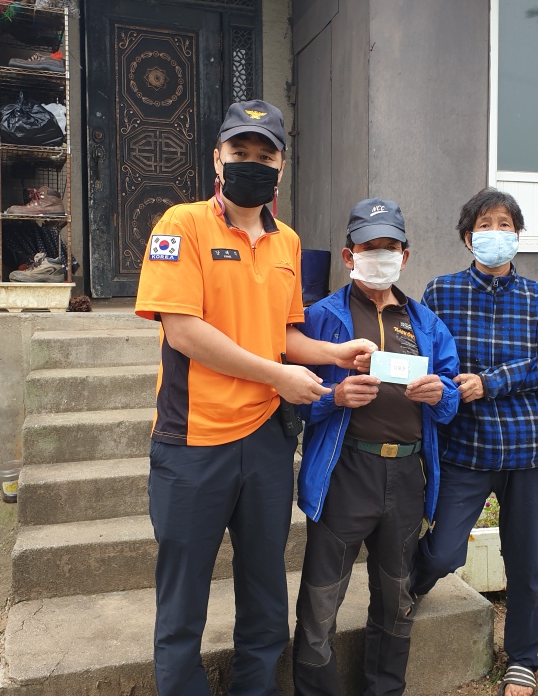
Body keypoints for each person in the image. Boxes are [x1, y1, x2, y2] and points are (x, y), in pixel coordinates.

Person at [134, 100, 377, 696]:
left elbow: (285, 335)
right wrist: (276, 376)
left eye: (264, 155)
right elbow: (183, 331)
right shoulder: (181, 225)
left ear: (281, 167)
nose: (251, 163)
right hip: (193, 442)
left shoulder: (286, 241)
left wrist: (335, 351)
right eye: (239, 152)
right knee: (182, 604)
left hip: (266, 442)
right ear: (218, 159)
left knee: (266, 596)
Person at [292, 198, 460, 696]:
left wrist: (441, 394)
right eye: (370, 247)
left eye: (390, 247)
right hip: (346, 472)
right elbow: (293, 402)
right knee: (320, 601)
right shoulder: (320, 318)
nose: (380, 256)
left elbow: (450, 400)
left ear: (404, 256)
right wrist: (334, 396)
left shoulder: (426, 323)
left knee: (396, 600)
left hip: (406, 477)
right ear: (349, 255)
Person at [411, 188, 538, 696]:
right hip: (467, 448)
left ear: (517, 236)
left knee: (527, 562)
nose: (496, 233)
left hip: (529, 450)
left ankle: (522, 658)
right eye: (485, 225)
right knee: (442, 552)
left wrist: (491, 382)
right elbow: (429, 360)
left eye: (506, 225)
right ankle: (410, 587)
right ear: (467, 237)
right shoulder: (441, 292)